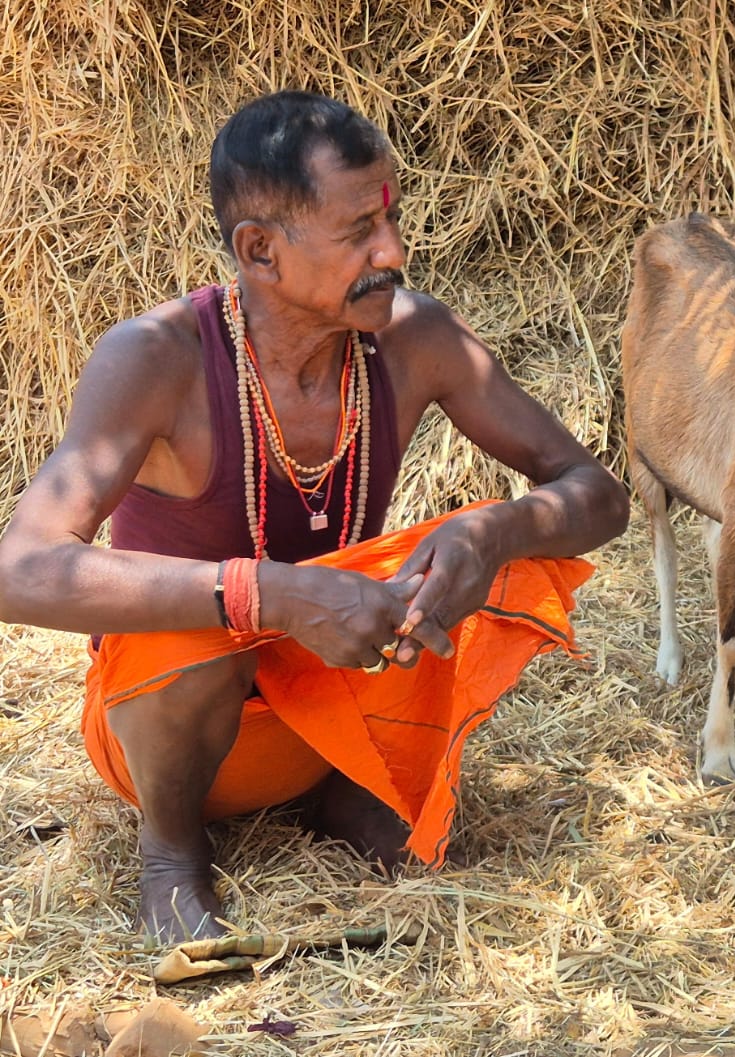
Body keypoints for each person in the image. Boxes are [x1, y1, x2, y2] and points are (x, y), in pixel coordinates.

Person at [0, 90, 630, 943]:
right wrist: (275, 595)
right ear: (259, 251)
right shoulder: (156, 358)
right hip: (177, 741)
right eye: (358, 235)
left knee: (485, 541)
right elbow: (20, 568)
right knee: (190, 627)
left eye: (392, 219)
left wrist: (494, 532)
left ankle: (342, 785)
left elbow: (597, 493)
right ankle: (172, 849)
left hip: (336, 707)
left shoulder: (416, 339)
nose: (394, 252)